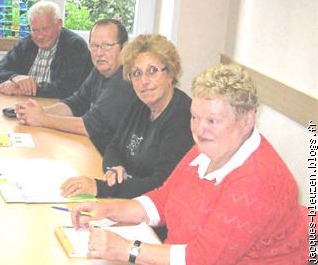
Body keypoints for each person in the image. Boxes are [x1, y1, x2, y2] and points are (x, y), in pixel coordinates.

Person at [70, 64, 307, 264]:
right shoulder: (210, 148)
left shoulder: (258, 181)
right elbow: (165, 198)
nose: (199, 130)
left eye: (212, 120)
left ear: (247, 121)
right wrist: (107, 209)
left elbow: (202, 258)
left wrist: (127, 249)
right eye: (195, 117)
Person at [60, 34, 194, 200]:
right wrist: (114, 168)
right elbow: (114, 146)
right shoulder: (141, 104)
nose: (144, 81)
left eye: (152, 71)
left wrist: (100, 188)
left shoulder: (183, 117)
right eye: (136, 73)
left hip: (154, 216)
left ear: (170, 73)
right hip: (126, 199)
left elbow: (161, 184)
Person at [14, 19, 137, 154]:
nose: (99, 53)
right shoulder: (100, 70)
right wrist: (36, 111)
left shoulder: (126, 79)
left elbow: (89, 126)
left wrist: (43, 119)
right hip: (92, 149)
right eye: (94, 46)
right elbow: (76, 103)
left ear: (125, 48)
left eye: (107, 45)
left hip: (114, 162)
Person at [0, 1, 93, 98]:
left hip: (58, 109)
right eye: (35, 30)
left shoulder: (75, 46)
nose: (39, 36)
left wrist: (25, 90)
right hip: (24, 104)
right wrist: (15, 77)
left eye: (45, 29)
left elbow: (66, 88)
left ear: (59, 25)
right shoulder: (25, 44)